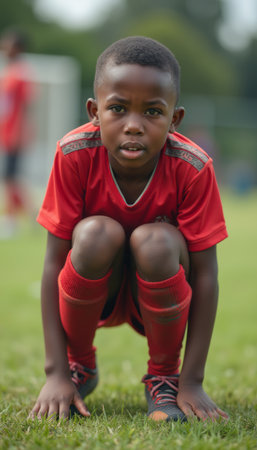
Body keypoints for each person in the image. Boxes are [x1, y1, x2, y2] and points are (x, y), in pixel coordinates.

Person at [30, 36, 229, 423]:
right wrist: (55, 372)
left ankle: (164, 379)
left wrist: (193, 380)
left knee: (155, 241)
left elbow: (206, 275)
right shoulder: (73, 154)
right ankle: (79, 368)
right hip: (92, 290)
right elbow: (54, 263)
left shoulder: (193, 167)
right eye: (118, 109)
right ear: (94, 111)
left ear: (175, 119)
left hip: (159, 293)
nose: (133, 126)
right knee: (95, 234)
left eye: (153, 112)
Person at [0, 29, 34, 237]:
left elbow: (25, 106)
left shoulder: (21, 73)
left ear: (18, 48)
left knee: (10, 177)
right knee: (12, 178)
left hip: (16, 134)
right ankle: (33, 214)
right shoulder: (9, 72)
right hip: (7, 133)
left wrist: (18, 132)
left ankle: (12, 219)